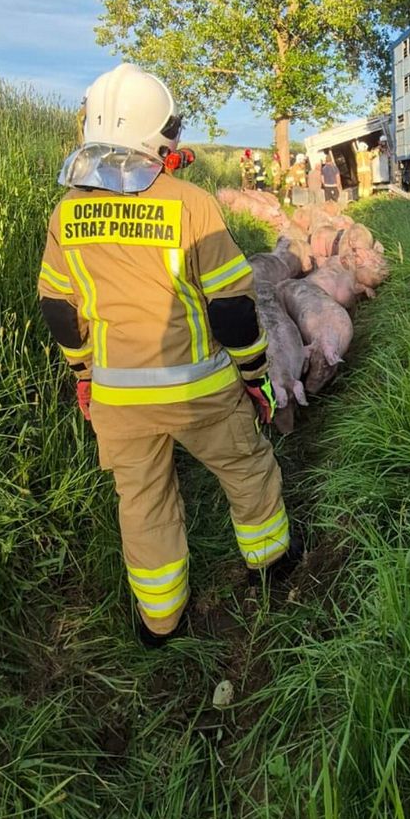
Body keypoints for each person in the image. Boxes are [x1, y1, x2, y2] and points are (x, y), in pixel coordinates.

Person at [38, 63, 302, 649]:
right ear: (157, 134)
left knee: (143, 500)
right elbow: (233, 308)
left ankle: (160, 619)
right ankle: (271, 565)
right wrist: (255, 375)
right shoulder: (190, 204)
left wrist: (83, 374)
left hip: (117, 397)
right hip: (200, 390)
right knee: (246, 469)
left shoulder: (65, 216)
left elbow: (60, 310)